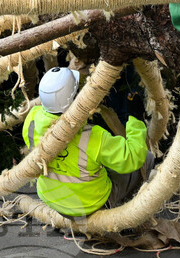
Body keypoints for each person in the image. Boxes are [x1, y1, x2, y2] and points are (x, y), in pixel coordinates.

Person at [22, 67, 155, 217]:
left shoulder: (31, 120)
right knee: (146, 158)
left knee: (92, 161)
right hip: (88, 204)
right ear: (75, 98)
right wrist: (135, 118)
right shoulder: (91, 136)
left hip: (50, 197)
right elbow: (132, 158)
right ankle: (126, 211)